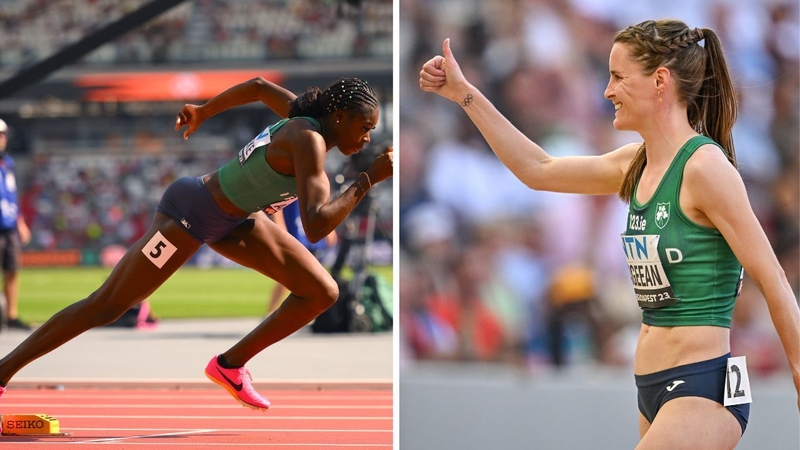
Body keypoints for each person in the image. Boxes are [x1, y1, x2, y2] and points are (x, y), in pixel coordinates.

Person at [419, 19, 799, 449]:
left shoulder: (705, 168)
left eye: (618, 77)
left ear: (660, 81)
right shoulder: (634, 163)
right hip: (653, 388)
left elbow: (774, 279)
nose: (607, 90)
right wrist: (463, 94)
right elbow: (538, 170)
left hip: (705, 385)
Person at [0, 76, 393, 415]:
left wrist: (205, 110)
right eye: (364, 127)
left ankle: (230, 365)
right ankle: (3, 371)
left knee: (321, 291)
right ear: (338, 118)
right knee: (107, 305)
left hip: (236, 220)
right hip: (189, 215)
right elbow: (316, 225)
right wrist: (366, 180)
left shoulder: (302, 114)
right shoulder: (308, 141)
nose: (367, 137)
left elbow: (257, 87)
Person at [265, 201, 337, 314]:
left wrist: (330, 229)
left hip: (310, 225)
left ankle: (309, 313)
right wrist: (280, 225)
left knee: (314, 275)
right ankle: (271, 312)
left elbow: (322, 200)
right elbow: (277, 201)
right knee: (290, 274)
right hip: (294, 224)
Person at [0, 119, 32, 331]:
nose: (2, 139)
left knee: (12, 269)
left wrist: (20, 221)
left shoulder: (7, 163)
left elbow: (12, 195)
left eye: (3, 135)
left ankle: (11, 315)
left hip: (9, 224)